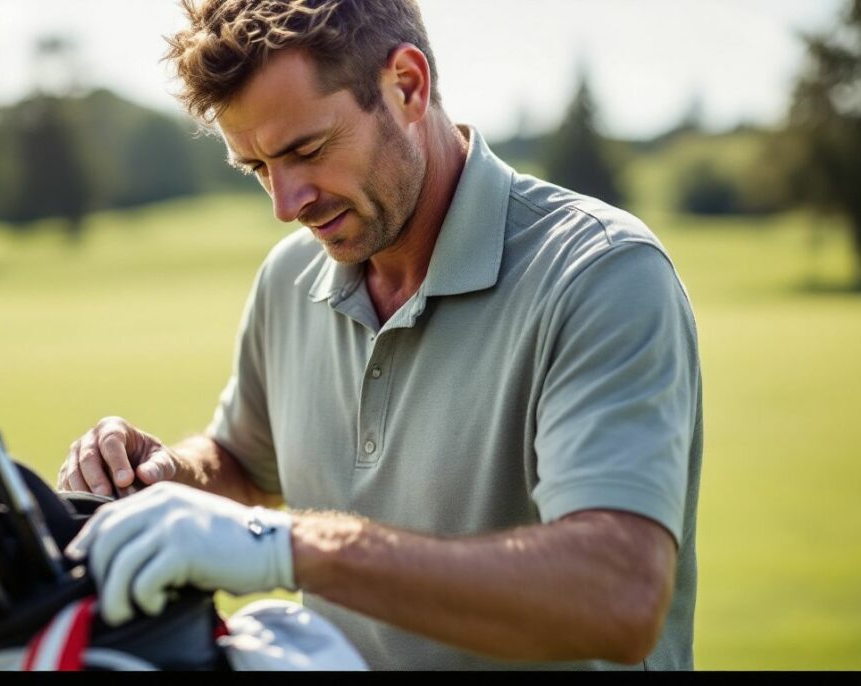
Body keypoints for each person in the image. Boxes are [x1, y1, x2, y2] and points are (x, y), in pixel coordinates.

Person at [59, 0, 702, 670]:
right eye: (256, 168)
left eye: (306, 149)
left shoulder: (599, 273)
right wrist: (165, 479)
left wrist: (283, 546)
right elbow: (243, 464)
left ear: (407, 86)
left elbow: (617, 597)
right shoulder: (290, 278)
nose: (286, 205)